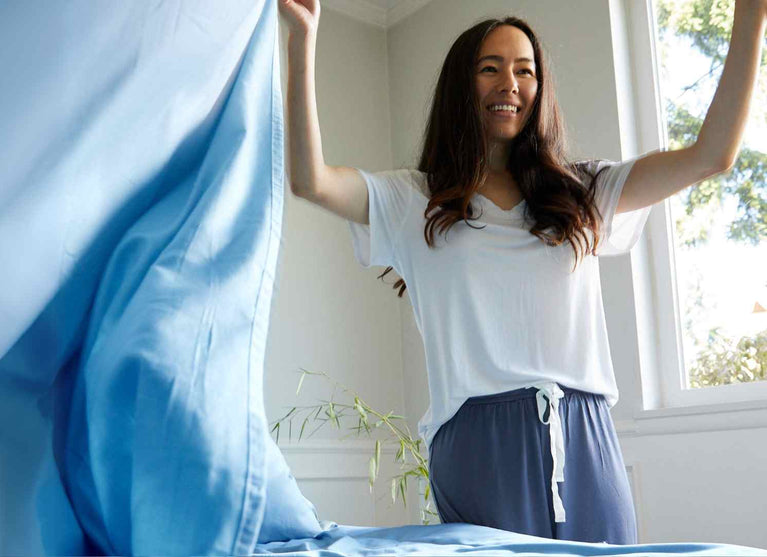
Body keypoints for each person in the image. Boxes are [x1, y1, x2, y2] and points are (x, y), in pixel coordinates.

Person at [278, 0, 767, 544]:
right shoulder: (412, 199)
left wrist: (751, 17)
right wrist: (302, 40)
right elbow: (310, 180)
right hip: (476, 440)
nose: (508, 82)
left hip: (585, 434)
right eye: (490, 68)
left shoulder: (585, 190)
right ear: (461, 84)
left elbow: (712, 156)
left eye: (524, 70)